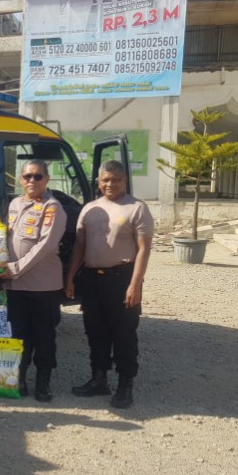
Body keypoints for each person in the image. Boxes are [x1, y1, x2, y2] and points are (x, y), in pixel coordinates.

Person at [65, 160, 153, 409]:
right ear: (98, 182)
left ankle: (125, 385)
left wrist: (135, 285)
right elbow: (80, 246)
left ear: (125, 180)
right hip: (92, 280)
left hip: (121, 279)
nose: (110, 184)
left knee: (124, 334)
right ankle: (99, 379)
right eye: (105, 180)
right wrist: (70, 277)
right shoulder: (90, 209)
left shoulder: (137, 208)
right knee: (95, 332)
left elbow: (144, 249)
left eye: (116, 179)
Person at [0, 159, 66, 403]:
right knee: (19, 334)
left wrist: (14, 269)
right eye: (27, 176)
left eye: (38, 176)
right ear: (20, 179)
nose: (32, 181)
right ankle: (20, 379)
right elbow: (6, 239)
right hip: (16, 286)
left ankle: (43, 383)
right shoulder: (15, 204)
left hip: (42, 287)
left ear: (47, 179)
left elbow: (45, 246)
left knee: (43, 336)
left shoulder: (52, 207)